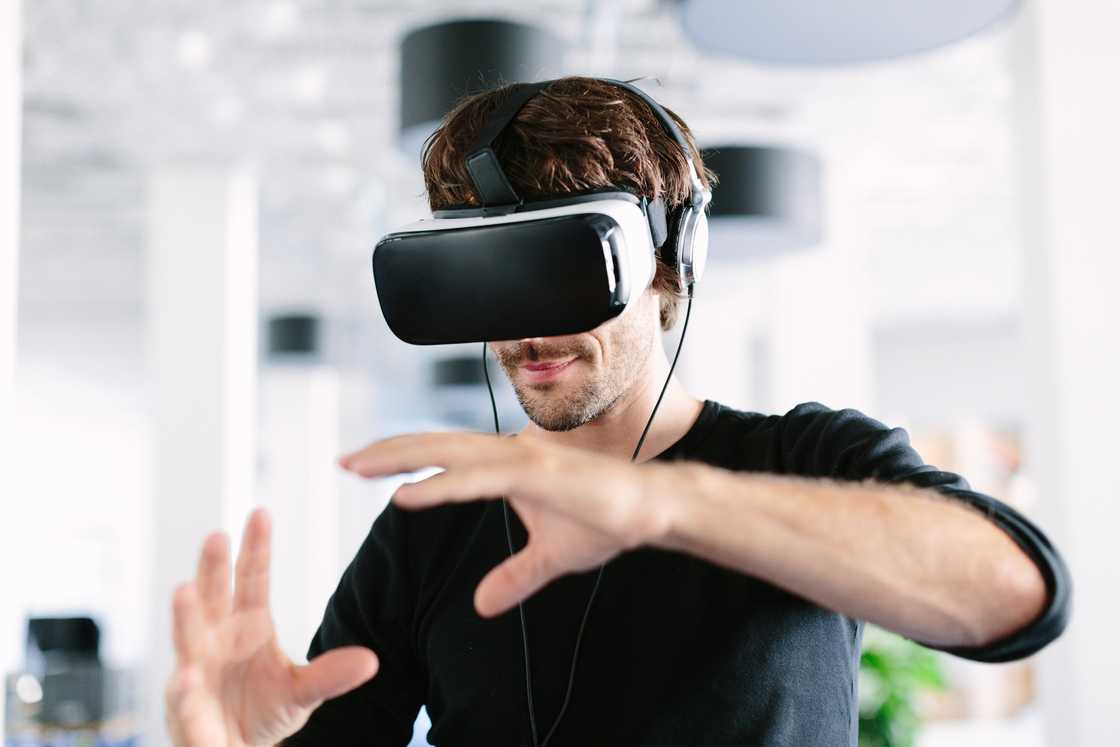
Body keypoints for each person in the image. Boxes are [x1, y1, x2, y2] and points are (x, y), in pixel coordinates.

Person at [163, 77, 1071, 747]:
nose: (527, 328)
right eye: (496, 279)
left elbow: (1016, 592)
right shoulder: (428, 529)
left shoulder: (806, 457)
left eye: (562, 271)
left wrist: (662, 507)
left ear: (672, 263)